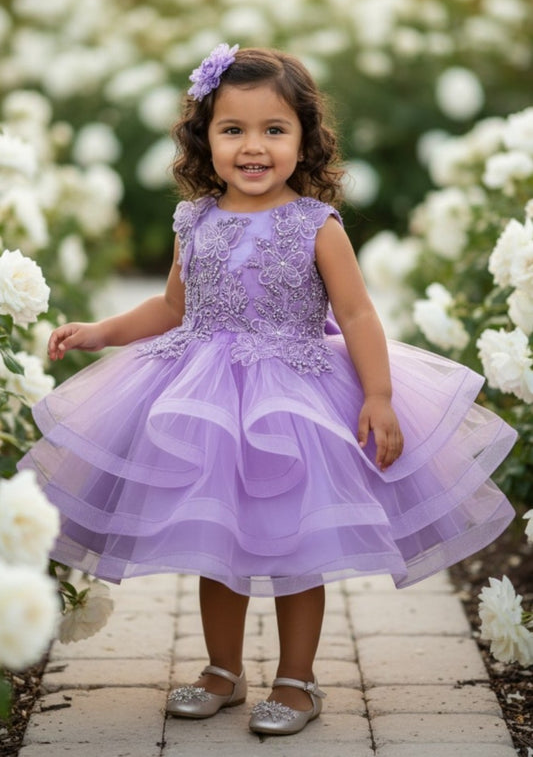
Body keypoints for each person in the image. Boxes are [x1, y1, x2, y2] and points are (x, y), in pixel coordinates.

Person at [18, 44, 517, 737]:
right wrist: (102, 330)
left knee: (292, 540)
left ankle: (296, 676)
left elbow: (357, 314)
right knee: (214, 537)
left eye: (273, 130)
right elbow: (171, 307)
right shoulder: (194, 219)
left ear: (303, 138)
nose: (253, 147)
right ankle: (222, 668)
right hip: (203, 398)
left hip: (293, 397)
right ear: (205, 138)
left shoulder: (315, 224)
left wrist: (376, 394)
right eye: (233, 130)